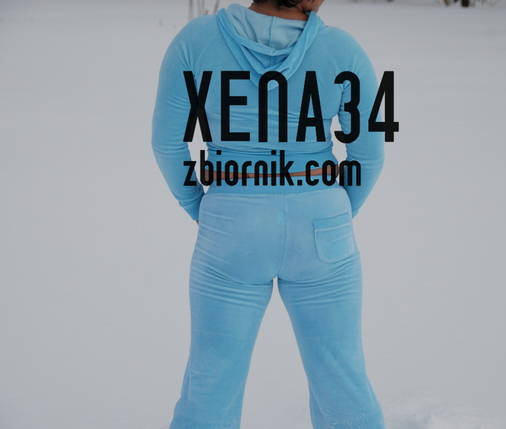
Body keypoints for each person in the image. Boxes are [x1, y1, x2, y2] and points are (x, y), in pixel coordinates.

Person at [151, 1, 387, 427]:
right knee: (342, 377)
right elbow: (368, 154)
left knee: (212, 377)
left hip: (232, 222)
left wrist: (200, 206)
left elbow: (167, 143)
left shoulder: (196, 41)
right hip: (320, 222)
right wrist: (333, 214)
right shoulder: (342, 50)